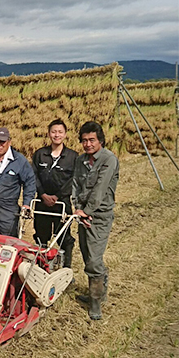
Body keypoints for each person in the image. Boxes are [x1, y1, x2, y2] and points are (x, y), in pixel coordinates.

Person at [72, 121, 119, 320]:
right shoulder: (81, 160)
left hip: (99, 216)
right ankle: (101, 288)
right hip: (82, 214)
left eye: (92, 140)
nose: (88, 144)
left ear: (100, 140)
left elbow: (100, 189)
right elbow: (75, 184)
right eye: (84, 140)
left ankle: (95, 301)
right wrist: (77, 208)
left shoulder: (108, 159)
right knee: (86, 254)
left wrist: (88, 210)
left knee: (93, 259)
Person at [31, 119, 79, 268]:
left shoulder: (72, 156)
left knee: (63, 236)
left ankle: (66, 269)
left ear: (65, 134)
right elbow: (33, 176)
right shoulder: (40, 154)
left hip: (62, 203)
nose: (56, 135)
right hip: (42, 202)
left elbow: (74, 180)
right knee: (41, 236)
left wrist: (58, 196)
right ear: (48, 133)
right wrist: (43, 194)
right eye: (53, 132)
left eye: (60, 132)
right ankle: (41, 266)